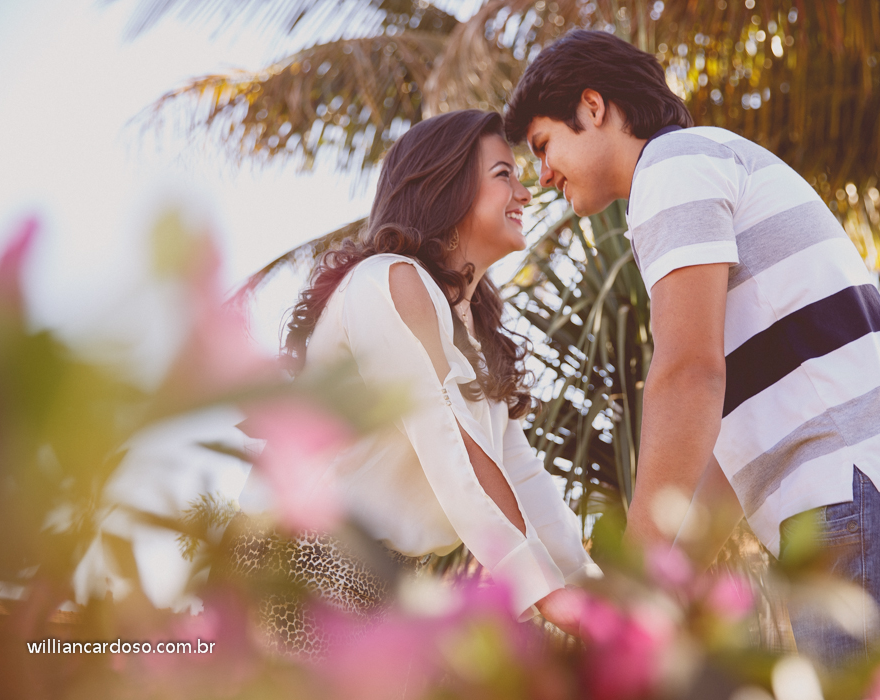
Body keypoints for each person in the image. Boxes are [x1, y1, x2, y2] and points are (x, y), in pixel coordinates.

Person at [503, 29, 880, 666]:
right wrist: (667, 583)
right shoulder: (700, 162)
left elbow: (687, 376)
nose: (541, 174)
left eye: (543, 145)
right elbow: (727, 429)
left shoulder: (670, 168)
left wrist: (631, 575)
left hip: (866, 490)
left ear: (592, 107)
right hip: (875, 493)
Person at [225, 109, 600, 657]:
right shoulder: (388, 281)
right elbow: (447, 437)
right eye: (504, 175)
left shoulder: (471, 335)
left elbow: (521, 476)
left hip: (375, 584)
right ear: (446, 187)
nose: (526, 191)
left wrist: (596, 592)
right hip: (299, 566)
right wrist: (544, 592)